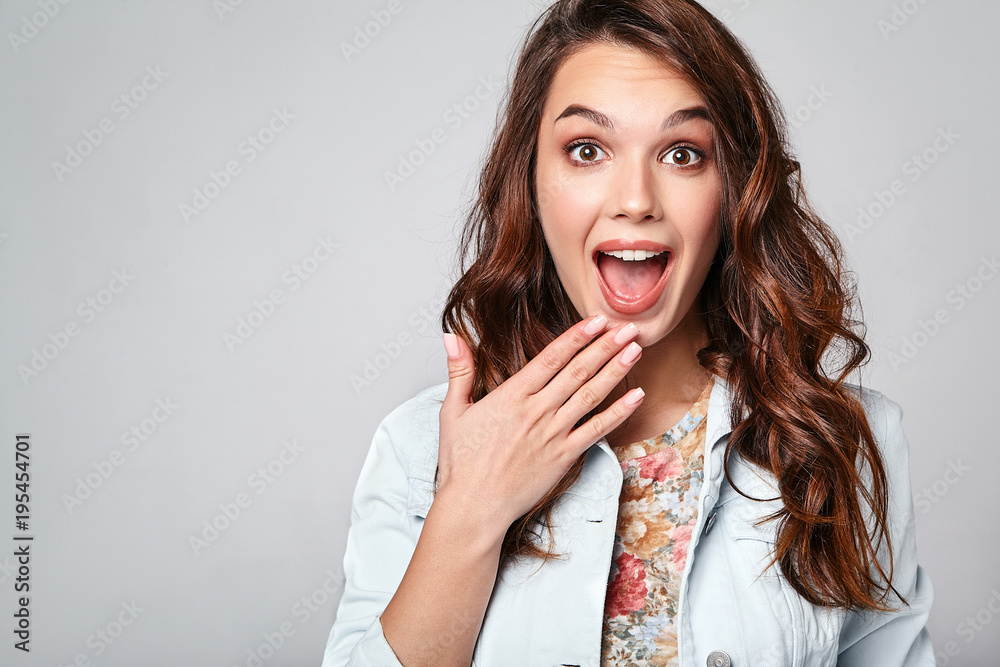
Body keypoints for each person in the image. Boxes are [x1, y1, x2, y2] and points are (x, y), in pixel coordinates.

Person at [322, 0, 935, 665]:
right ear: (530, 180)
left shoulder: (836, 442)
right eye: (587, 150)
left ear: (733, 188)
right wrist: (469, 509)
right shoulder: (417, 449)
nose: (636, 198)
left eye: (682, 153)